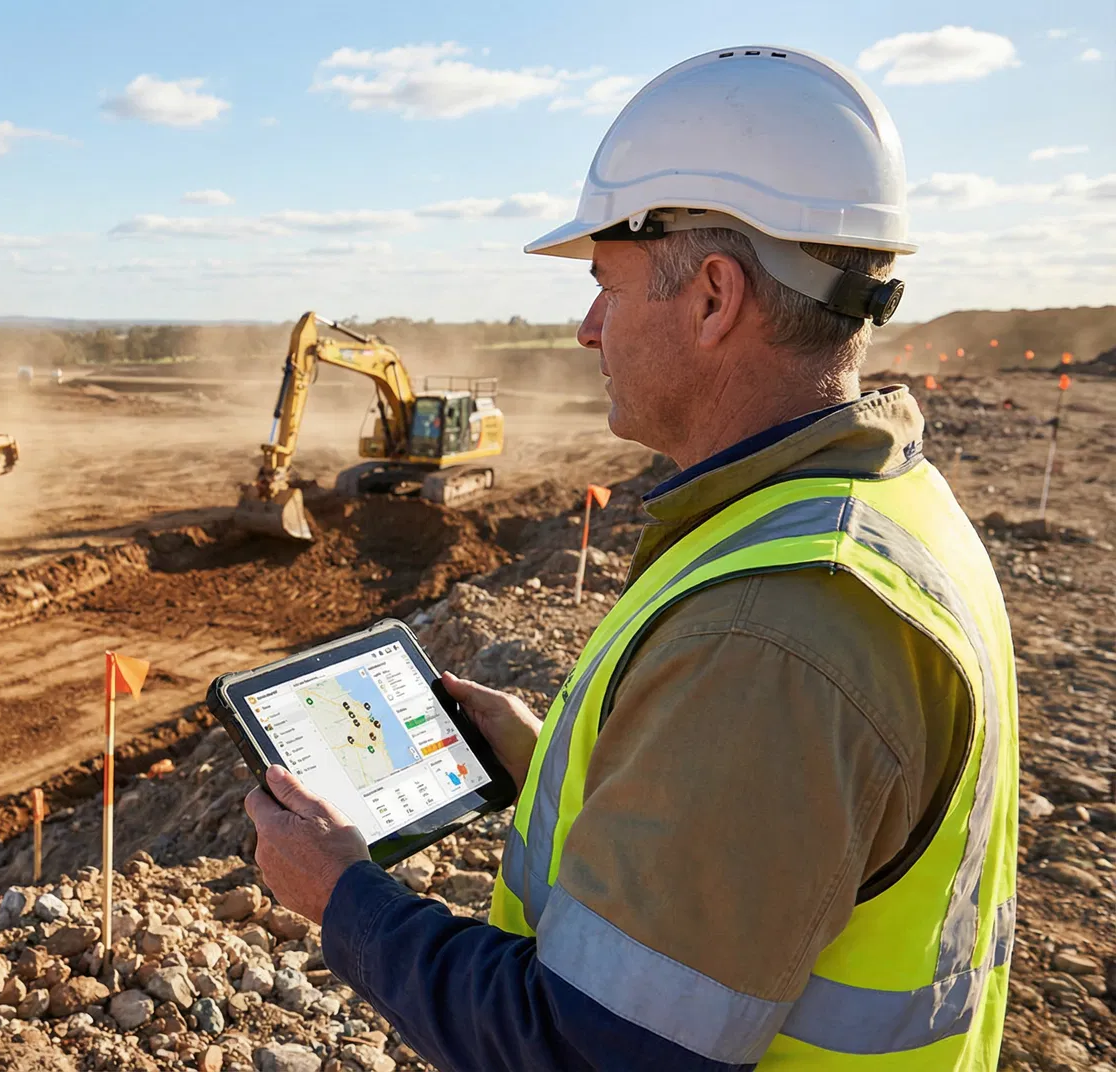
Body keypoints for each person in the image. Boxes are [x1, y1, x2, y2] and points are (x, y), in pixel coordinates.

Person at [246, 45, 1018, 1071]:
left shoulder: (775, 629)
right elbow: (771, 847)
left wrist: (345, 897)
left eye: (607, 286)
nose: (586, 328)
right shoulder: (886, 509)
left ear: (713, 297)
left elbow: (586, 1049)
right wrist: (555, 763)